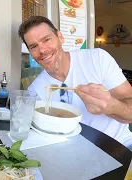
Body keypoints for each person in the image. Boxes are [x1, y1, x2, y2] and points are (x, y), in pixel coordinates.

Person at [18, 16, 132, 149]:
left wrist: (110, 106)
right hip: (74, 155)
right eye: (34, 46)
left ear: (60, 37)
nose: (42, 50)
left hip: (121, 145)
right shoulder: (35, 90)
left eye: (46, 40)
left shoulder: (97, 59)